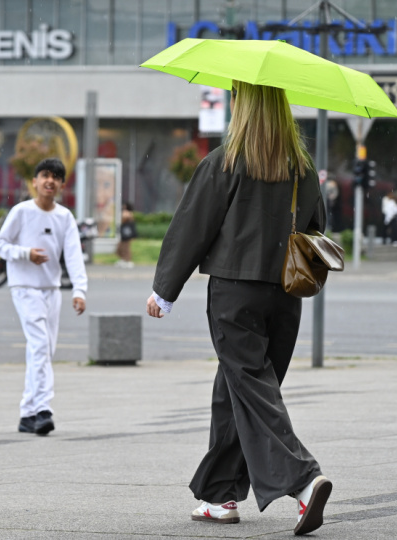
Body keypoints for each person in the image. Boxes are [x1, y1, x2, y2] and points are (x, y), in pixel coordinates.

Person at [145, 80, 331, 535]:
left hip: (235, 291)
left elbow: (193, 226)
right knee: (237, 389)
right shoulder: (301, 167)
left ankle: (304, 481)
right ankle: (220, 495)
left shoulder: (224, 161)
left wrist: (164, 290)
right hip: (286, 293)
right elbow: (317, 227)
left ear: (241, 105)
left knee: (249, 387)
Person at [0, 158, 87, 436]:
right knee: (39, 346)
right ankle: (43, 409)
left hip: (51, 289)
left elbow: (73, 256)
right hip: (24, 287)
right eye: (45, 175)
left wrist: (79, 290)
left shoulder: (64, 217)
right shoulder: (21, 212)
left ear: (61, 184)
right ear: (34, 181)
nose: (50, 181)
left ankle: (27, 413)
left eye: (56, 177)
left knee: (45, 350)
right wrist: (25, 253)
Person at [115, 202, 137, 268]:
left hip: (126, 235)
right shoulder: (129, 214)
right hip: (125, 235)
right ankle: (123, 260)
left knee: (126, 248)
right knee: (120, 248)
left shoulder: (128, 214)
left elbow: (124, 219)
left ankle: (127, 261)